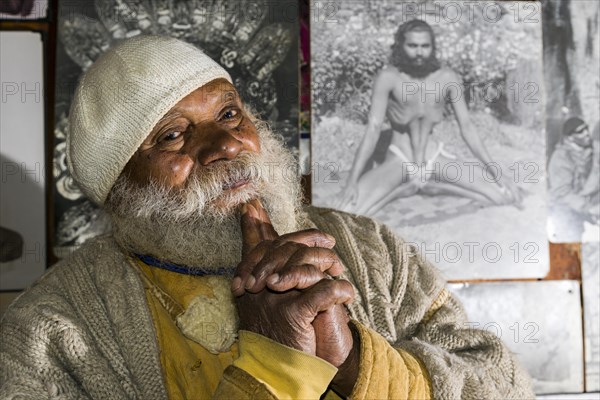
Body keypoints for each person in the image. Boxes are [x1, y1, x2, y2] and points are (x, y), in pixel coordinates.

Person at [0, 36, 534, 399]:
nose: (227, 144)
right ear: (120, 190)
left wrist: (354, 364)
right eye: (173, 135)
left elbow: (505, 385)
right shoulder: (53, 328)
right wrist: (275, 366)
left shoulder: (371, 249)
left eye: (229, 113)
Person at [336, 19, 521, 215]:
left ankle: (433, 187)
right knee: (348, 209)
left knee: (504, 194)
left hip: (433, 157)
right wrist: (351, 183)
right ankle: (402, 190)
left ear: (432, 47)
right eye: (412, 46)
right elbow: (373, 131)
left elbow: (467, 127)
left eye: (425, 46)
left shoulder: (448, 78)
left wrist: (497, 173)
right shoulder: (388, 78)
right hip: (401, 160)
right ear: (400, 46)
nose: (419, 52)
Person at [548, 117, 599, 241]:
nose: (586, 133)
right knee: (567, 249)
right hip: (567, 206)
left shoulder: (595, 150)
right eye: (580, 132)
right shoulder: (561, 158)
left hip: (590, 200)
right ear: (569, 138)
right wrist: (589, 208)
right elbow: (562, 193)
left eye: (586, 128)